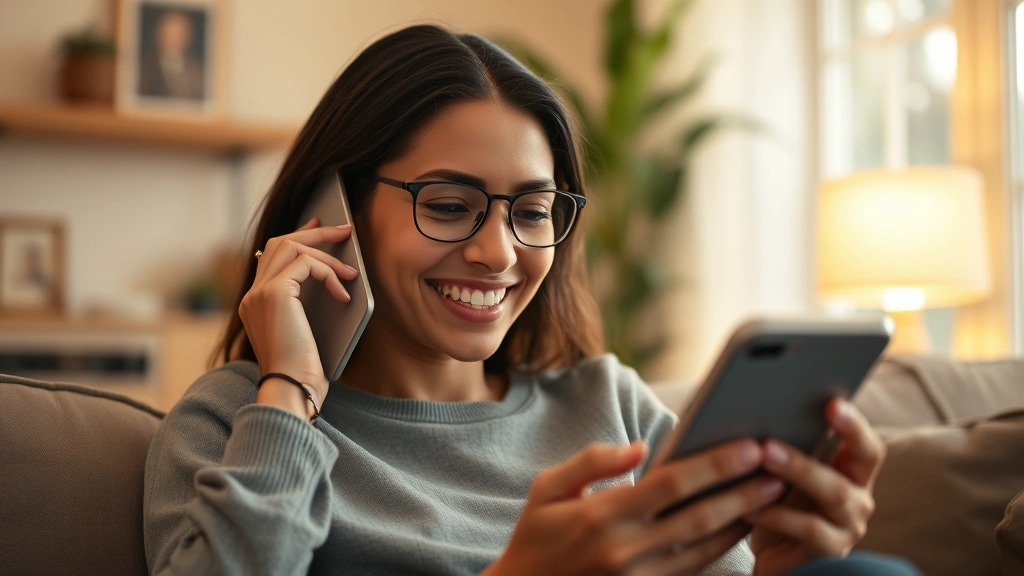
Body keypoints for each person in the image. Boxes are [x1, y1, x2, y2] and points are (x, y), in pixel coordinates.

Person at [143, 25, 919, 576]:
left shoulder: (612, 406)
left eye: (533, 209)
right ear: (331, 212)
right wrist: (292, 392)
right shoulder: (237, 422)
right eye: (448, 204)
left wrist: (782, 568)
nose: (500, 251)